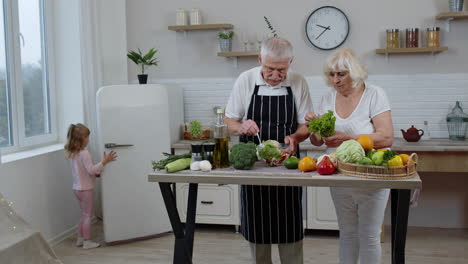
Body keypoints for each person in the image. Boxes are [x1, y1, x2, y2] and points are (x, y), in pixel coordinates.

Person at [225, 37, 313, 264]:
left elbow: (306, 125)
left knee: (290, 224)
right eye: (270, 69)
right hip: (253, 167)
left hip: (288, 165)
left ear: (290, 62)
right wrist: (241, 126)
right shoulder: (245, 80)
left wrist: (295, 136)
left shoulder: (299, 82)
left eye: (281, 70)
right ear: (259, 59)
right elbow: (229, 121)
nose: (275, 75)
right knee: (257, 225)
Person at [306, 48, 393, 264]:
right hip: (340, 176)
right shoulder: (327, 98)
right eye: (331, 74)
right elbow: (317, 141)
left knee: (370, 236)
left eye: (341, 74)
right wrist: (313, 127)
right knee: (347, 233)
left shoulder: (374, 94)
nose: (335, 80)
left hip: (370, 175)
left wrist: (349, 137)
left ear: (354, 72)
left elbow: (386, 137)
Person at [64, 123, 117, 249]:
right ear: (81, 139)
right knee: (88, 215)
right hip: (86, 189)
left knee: (83, 215)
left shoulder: (73, 153)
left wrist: (95, 174)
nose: (88, 140)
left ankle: (80, 239)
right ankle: (87, 242)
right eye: (87, 137)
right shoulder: (84, 153)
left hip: (76, 188)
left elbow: (83, 171)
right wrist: (104, 162)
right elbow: (91, 170)